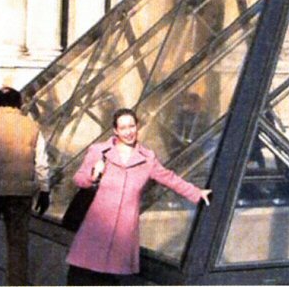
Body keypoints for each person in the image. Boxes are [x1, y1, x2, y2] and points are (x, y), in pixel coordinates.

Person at [65, 108, 211, 285]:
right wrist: (93, 175)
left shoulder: (147, 158)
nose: (129, 132)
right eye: (123, 128)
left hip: (122, 235)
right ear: (115, 131)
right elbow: (79, 180)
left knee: (109, 280)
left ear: (137, 126)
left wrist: (196, 192)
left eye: (132, 126)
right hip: (96, 229)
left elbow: (169, 178)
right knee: (82, 278)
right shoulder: (99, 151)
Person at [0, 86, 51, 286]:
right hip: (21, 192)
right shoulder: (32, 127)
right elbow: (41, 162)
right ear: (19, 104)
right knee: (18, 244)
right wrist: (44, 190)